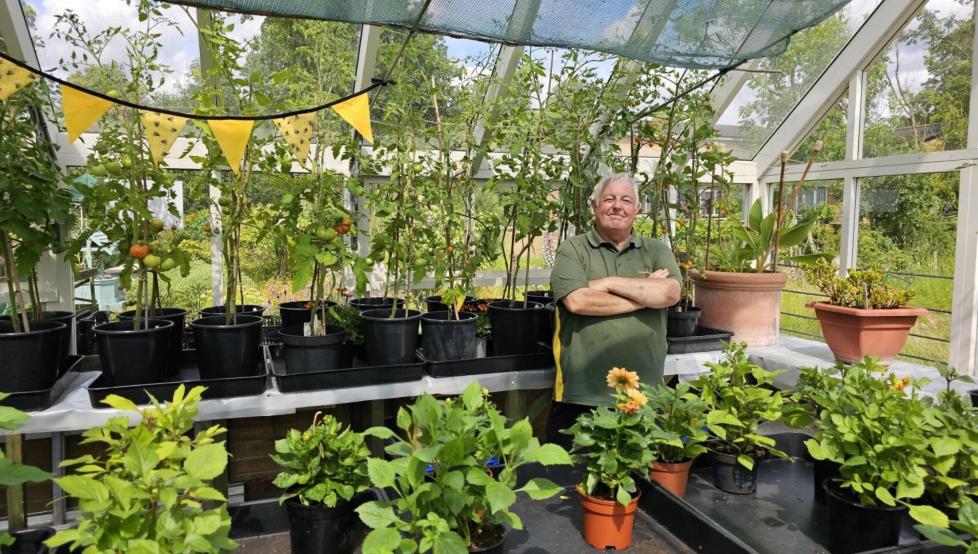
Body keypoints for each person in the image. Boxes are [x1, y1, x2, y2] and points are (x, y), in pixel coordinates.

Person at [547, 173, 681, 446]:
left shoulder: (655, 249)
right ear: (594, 206)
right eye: (609, 199)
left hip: (644, 393)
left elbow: (670, 292)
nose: (617, 206)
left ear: (637, 209)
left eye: (626, 200)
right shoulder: (573, 249)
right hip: (582, 393)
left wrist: (607, 283)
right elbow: (578, 301)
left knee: (639, 479)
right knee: (573, 480)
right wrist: (645, 293)